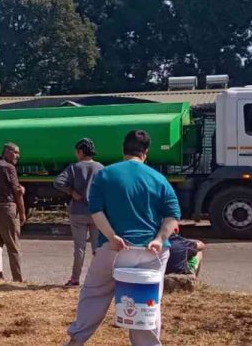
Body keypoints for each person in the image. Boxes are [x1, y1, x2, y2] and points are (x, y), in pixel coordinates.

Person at [65, 130, 181, 346]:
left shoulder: (106, 175)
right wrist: (158, 239)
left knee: (94, 294)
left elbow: (96, 210)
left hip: (113, 250)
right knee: (146, 305)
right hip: (150, 252)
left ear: (123, 150)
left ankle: (76, 340)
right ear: (145, 152)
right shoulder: (159, 179)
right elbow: (172, 215)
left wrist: (112, 236)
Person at [54, 138, 104, 287]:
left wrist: (71, 191)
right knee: (97, 248)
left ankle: (75, 279)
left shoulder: (74, 168)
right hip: (96, 213)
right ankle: (98, 278)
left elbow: (58, 182)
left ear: (81, 151)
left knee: (79, 248)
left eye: (77, 152)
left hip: (77, 212)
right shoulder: (101, 168)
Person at [0, 143, 26, 282]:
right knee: (13, 247)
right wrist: (22, 212)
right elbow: (16, 192)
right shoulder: (9, 168)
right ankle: (17, 279)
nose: (18, 156)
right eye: (15, 152)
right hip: (7, 208)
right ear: (7, 151)